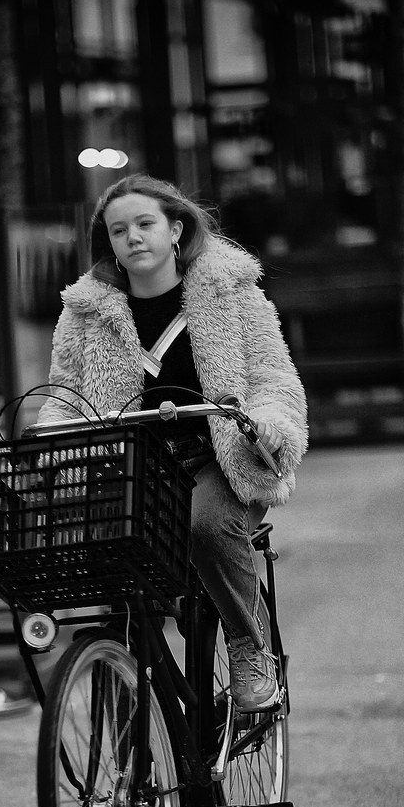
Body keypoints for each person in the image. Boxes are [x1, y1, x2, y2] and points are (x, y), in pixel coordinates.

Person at [37, 174, 308, 711]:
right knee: (114, 573)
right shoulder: (86, 312)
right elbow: (64, 395)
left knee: (205, 526)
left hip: (220, 460)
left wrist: (266, 422)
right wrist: (50, 435)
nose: (133, 237)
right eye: (119, 230)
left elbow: (276, 379)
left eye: (145, 224)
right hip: (132, 467)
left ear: (176, 229)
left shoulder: (231, 294)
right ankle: (125, 695)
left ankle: (248, 647)